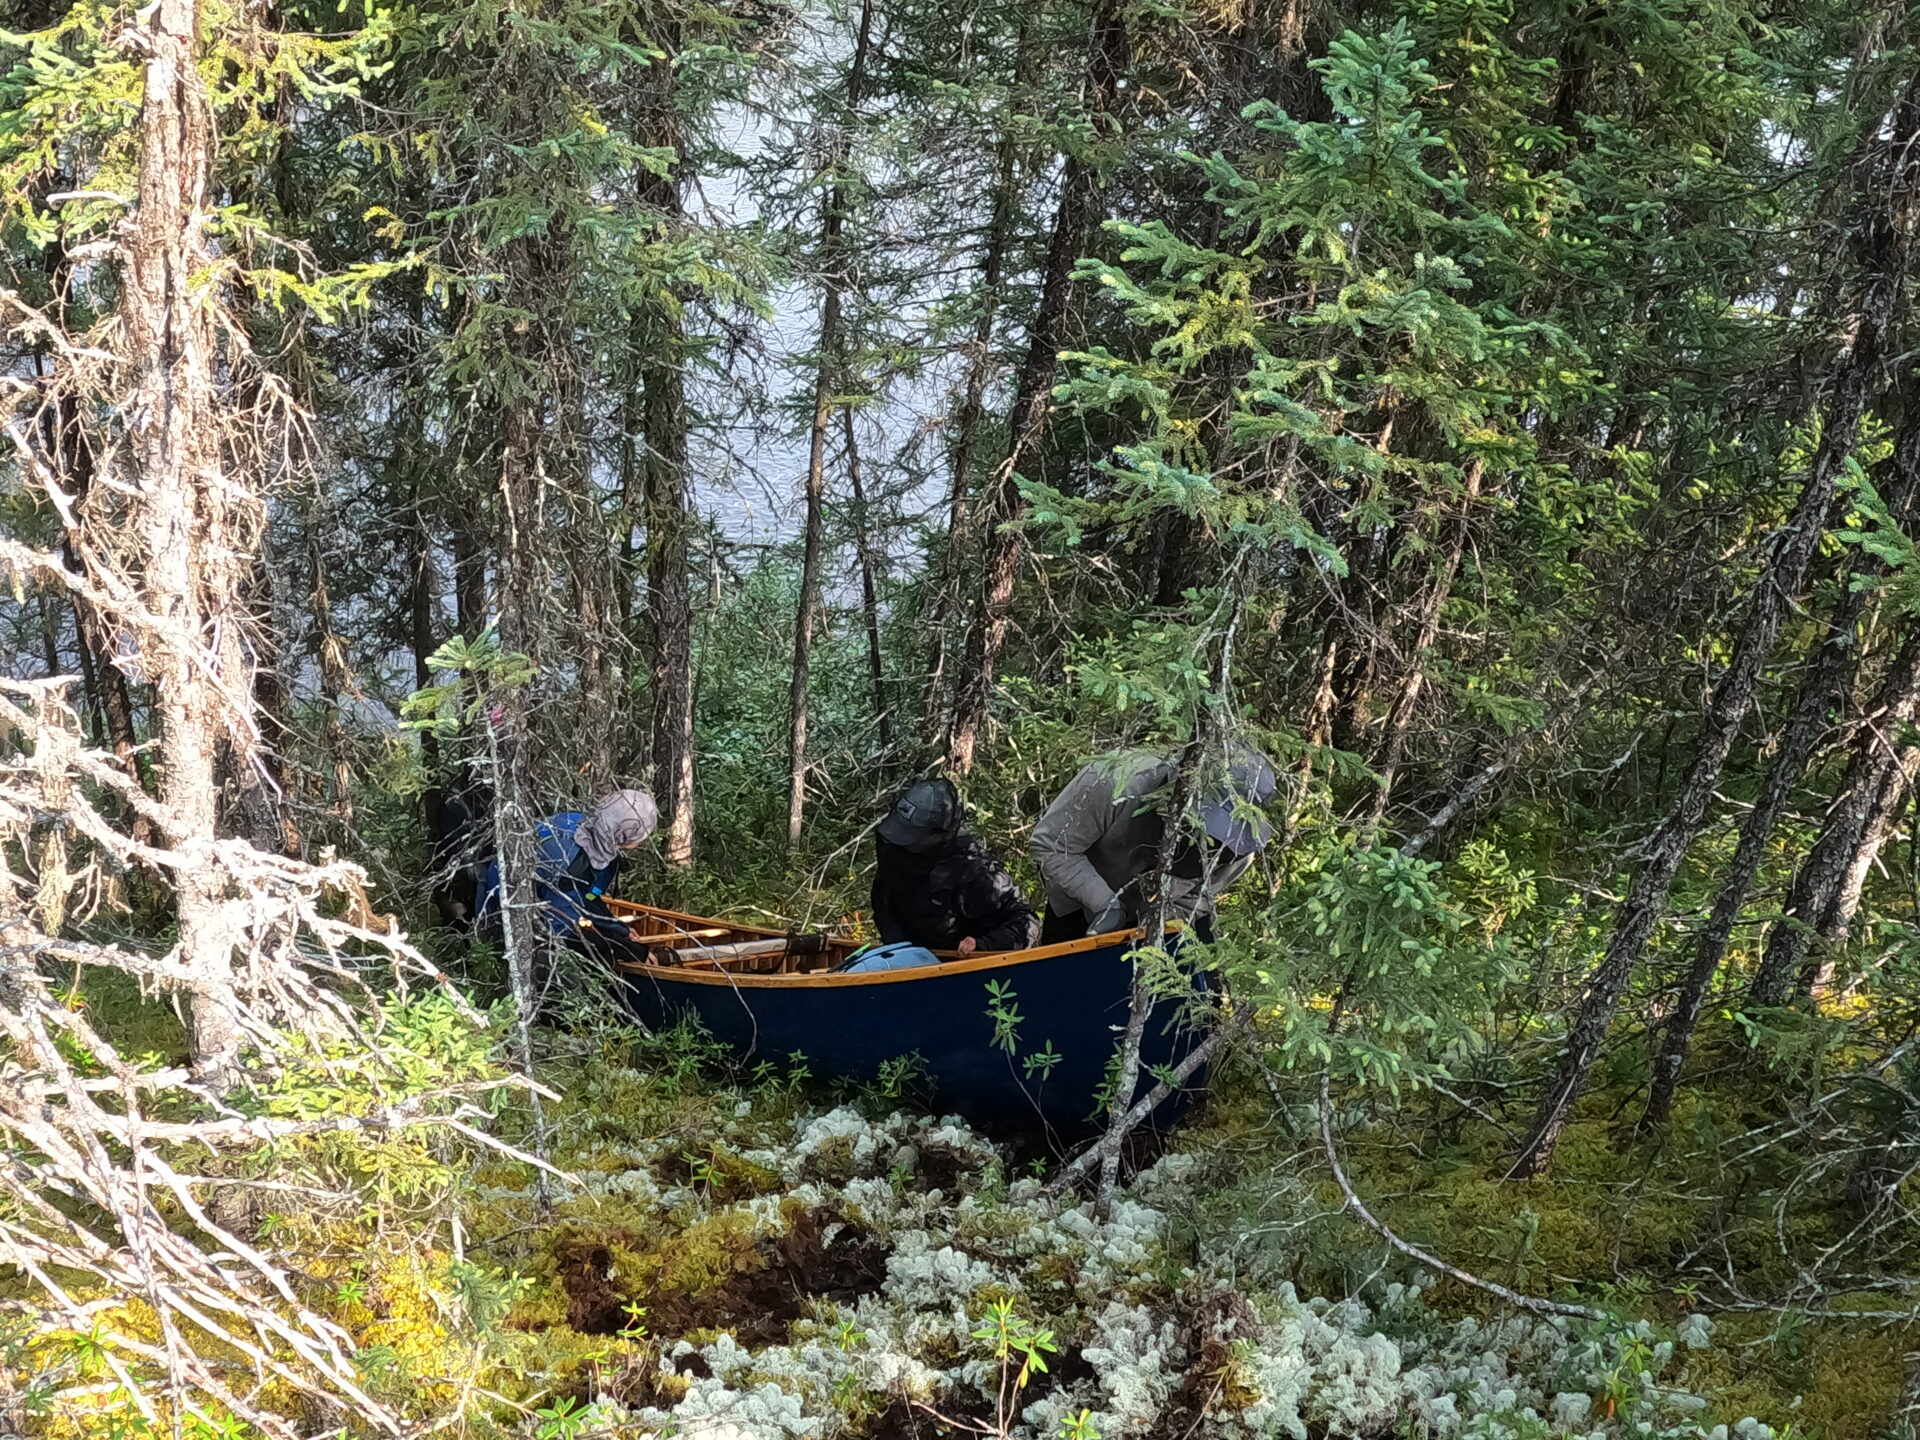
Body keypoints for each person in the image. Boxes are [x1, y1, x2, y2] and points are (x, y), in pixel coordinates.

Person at [1029, 747, 1277, 944]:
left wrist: (1153, 926)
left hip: (1161, 923)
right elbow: (1051, 845)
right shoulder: (1115, 776)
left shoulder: (1238, 853)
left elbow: (1195, 901)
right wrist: (1105, 905)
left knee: (1199, 995)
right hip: (1080, 903)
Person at [477, 789, 659, 963]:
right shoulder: (573, 866)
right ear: (624, 834)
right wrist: (629, 950)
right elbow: (559, 930)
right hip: (502, 921)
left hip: (506, 893)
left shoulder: (577, 821)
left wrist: (619, 929)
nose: (641, 840)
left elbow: (586, 896)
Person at [870, 778, 1038, 956]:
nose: (906, 840)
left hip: (961, 969)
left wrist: (983, 945)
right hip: (906, 960)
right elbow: (884, 904)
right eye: (903, 831)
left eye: (915, 835)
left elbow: (1027, 923)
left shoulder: (975, 870)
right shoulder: (896, 853)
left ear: (939, 833)